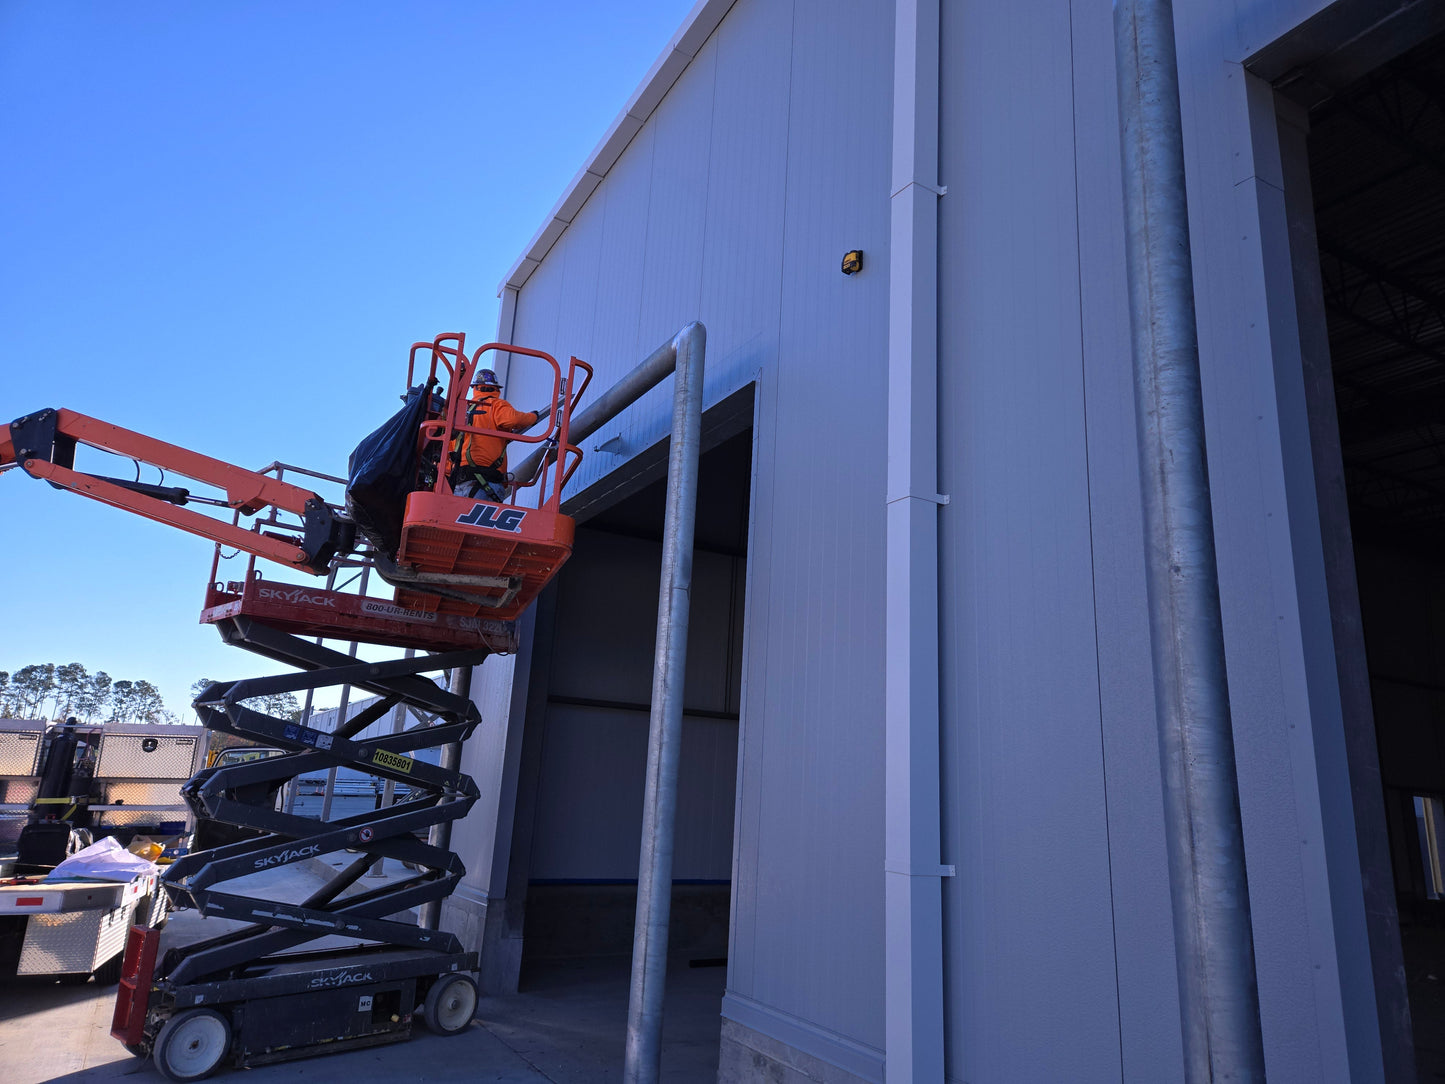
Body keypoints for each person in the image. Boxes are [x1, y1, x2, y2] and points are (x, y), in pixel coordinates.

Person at [451, 368, 558, 501]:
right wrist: (533, 417)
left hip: (458, 483)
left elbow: (450, 449)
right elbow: (514, 419)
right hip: (485, 482)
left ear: (475, 388)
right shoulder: (494, 405)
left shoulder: (461, 414)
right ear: (495, 388)